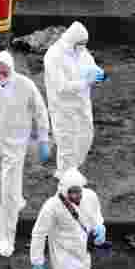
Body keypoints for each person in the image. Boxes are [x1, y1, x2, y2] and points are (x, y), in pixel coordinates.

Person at [0, 50, 51, 258]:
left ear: (12, 69)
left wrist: (43, 139)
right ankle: (15, 202)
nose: (2, 74)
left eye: (6, 71)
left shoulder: (25, 85)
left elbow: (40, 111)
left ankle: (6, 238)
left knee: (9, 192)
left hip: (15, 145)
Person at [43, 21, 106, 179]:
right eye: (81, 43)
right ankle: (66, 177)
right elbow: (61, 87)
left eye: (85, 44)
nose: (83, 46)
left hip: (82, 103)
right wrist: (86, 83)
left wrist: (98, 74)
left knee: (86, 136)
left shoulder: (81, 52)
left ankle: (73, 170)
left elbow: (90, 66)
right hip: (63, 107)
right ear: (72, 41)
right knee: (67, 142)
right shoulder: (53, 56)